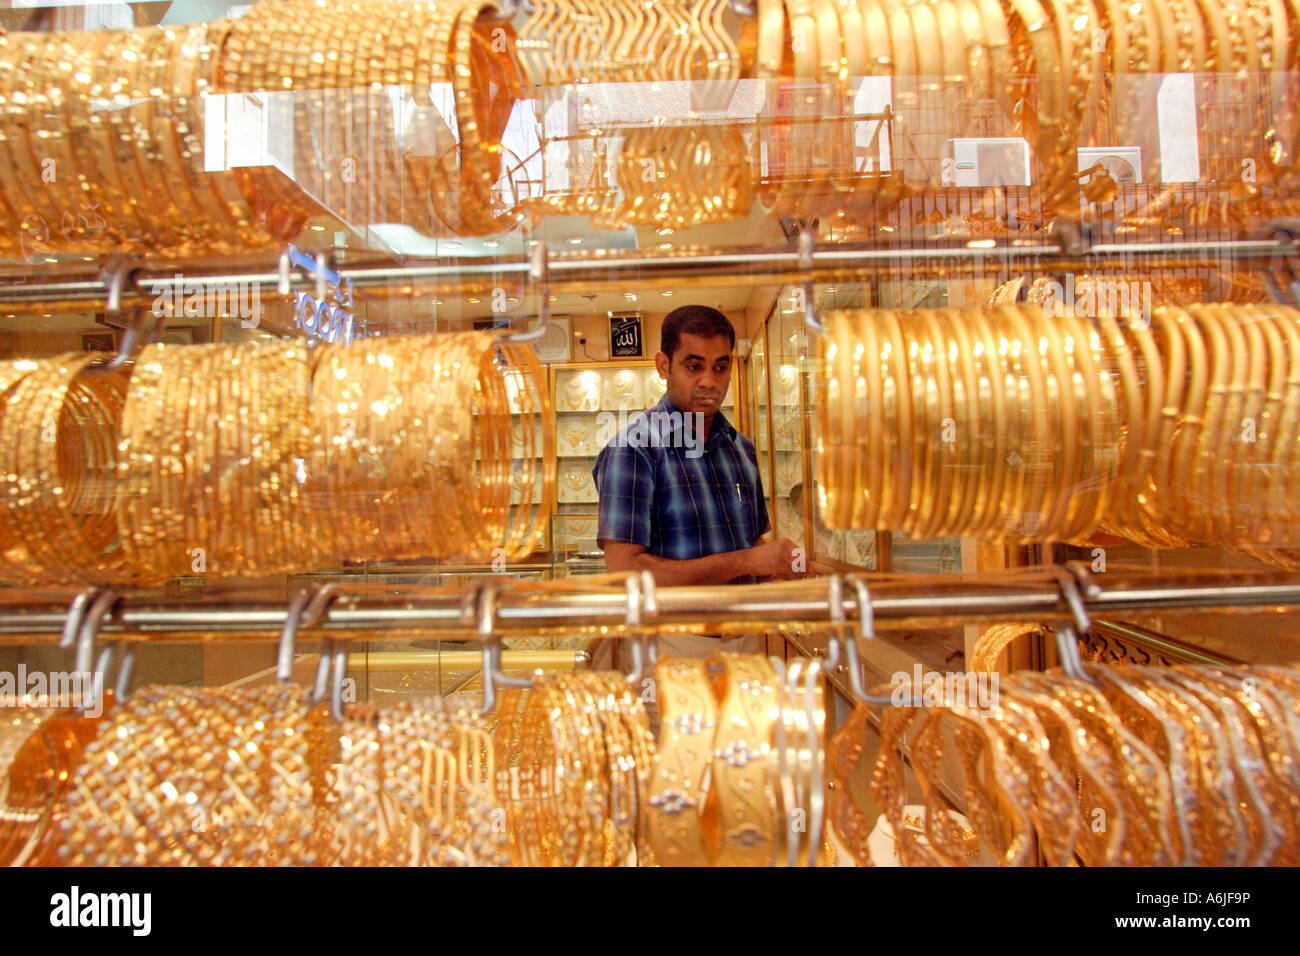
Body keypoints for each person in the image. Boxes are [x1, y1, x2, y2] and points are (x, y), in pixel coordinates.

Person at [593, 304, 801, 661]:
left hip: (746, 642)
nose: (709, 381)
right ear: (663, 366)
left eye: (720, 367)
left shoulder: (740, 448)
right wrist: (749, 561)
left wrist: (781, 566)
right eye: (694, 366)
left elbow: (751, 543)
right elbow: (625, 574)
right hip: (669, 647)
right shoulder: (634, 450)